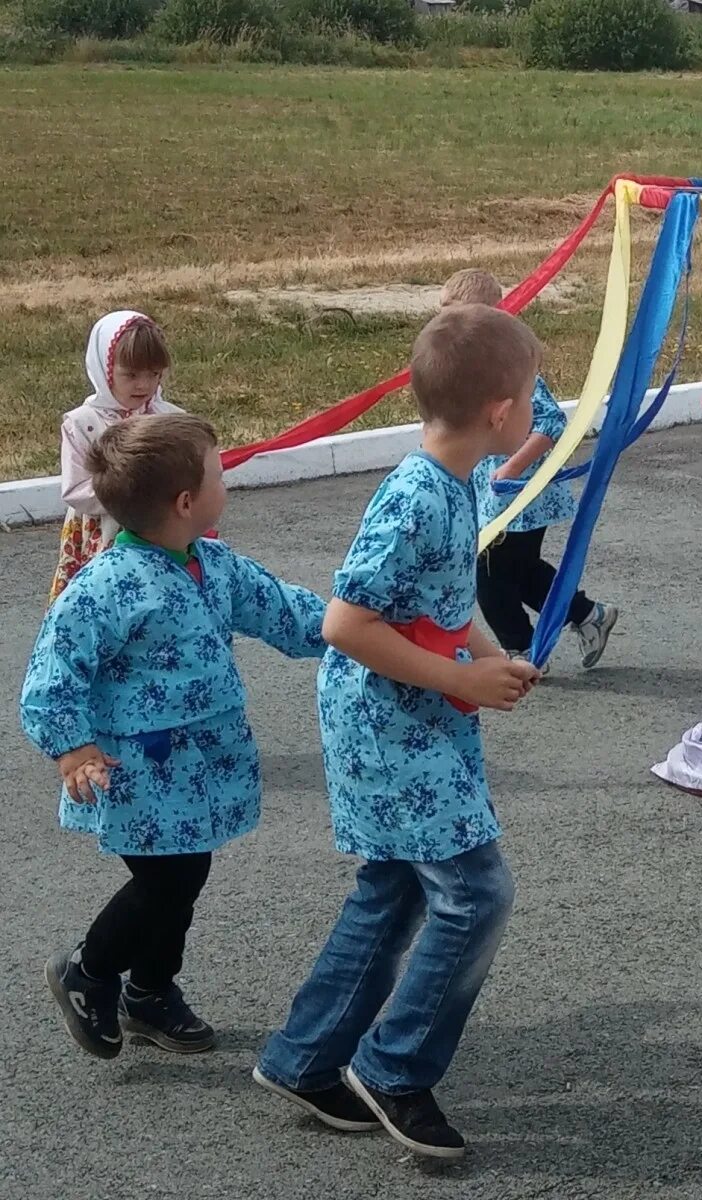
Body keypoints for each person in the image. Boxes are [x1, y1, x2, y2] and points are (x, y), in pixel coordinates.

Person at [255, 304, 542, 1158]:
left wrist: (492, 655)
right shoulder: (417, 496)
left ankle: (306, 1057)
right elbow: (345, 624)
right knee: (477, 892)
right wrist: (462, 678)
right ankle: (393, 1067)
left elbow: (442, 605)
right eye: (531, 395)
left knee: (398, 885)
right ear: (498, 411)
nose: (536, 409)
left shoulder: (458, 483)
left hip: (417, 720)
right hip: (387, 728)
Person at [23, 413, 325, 1060]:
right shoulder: (106, 586)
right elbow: (53, 673)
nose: (227, 480)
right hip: (138, 772)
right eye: (220, 472)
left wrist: (348, 625)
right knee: (166, 883)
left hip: (197, 768)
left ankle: (151, 991)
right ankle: (89, 971)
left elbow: (285, 610)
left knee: (183, 876)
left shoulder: (211, 564)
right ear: (187, 502)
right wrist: (71, 746)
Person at [439, 269, 619, 669]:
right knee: (516, 571)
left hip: (522, 494)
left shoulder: (506, 364)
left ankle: (522, 649)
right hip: (494, 495)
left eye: (463, 319)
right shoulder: (474, 366)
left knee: (489, 574)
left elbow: (551, 422)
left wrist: (510, 471)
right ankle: (587, 616)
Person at [51, 311, 184, 601]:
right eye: (132, 374)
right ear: (105, 368)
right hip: (105, 534)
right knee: (106, 605)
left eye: (154, 374)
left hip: (161, 531)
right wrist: (131, 496)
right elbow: (76, 490)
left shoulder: (170, 419)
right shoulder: (83, 424)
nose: (144, 385)